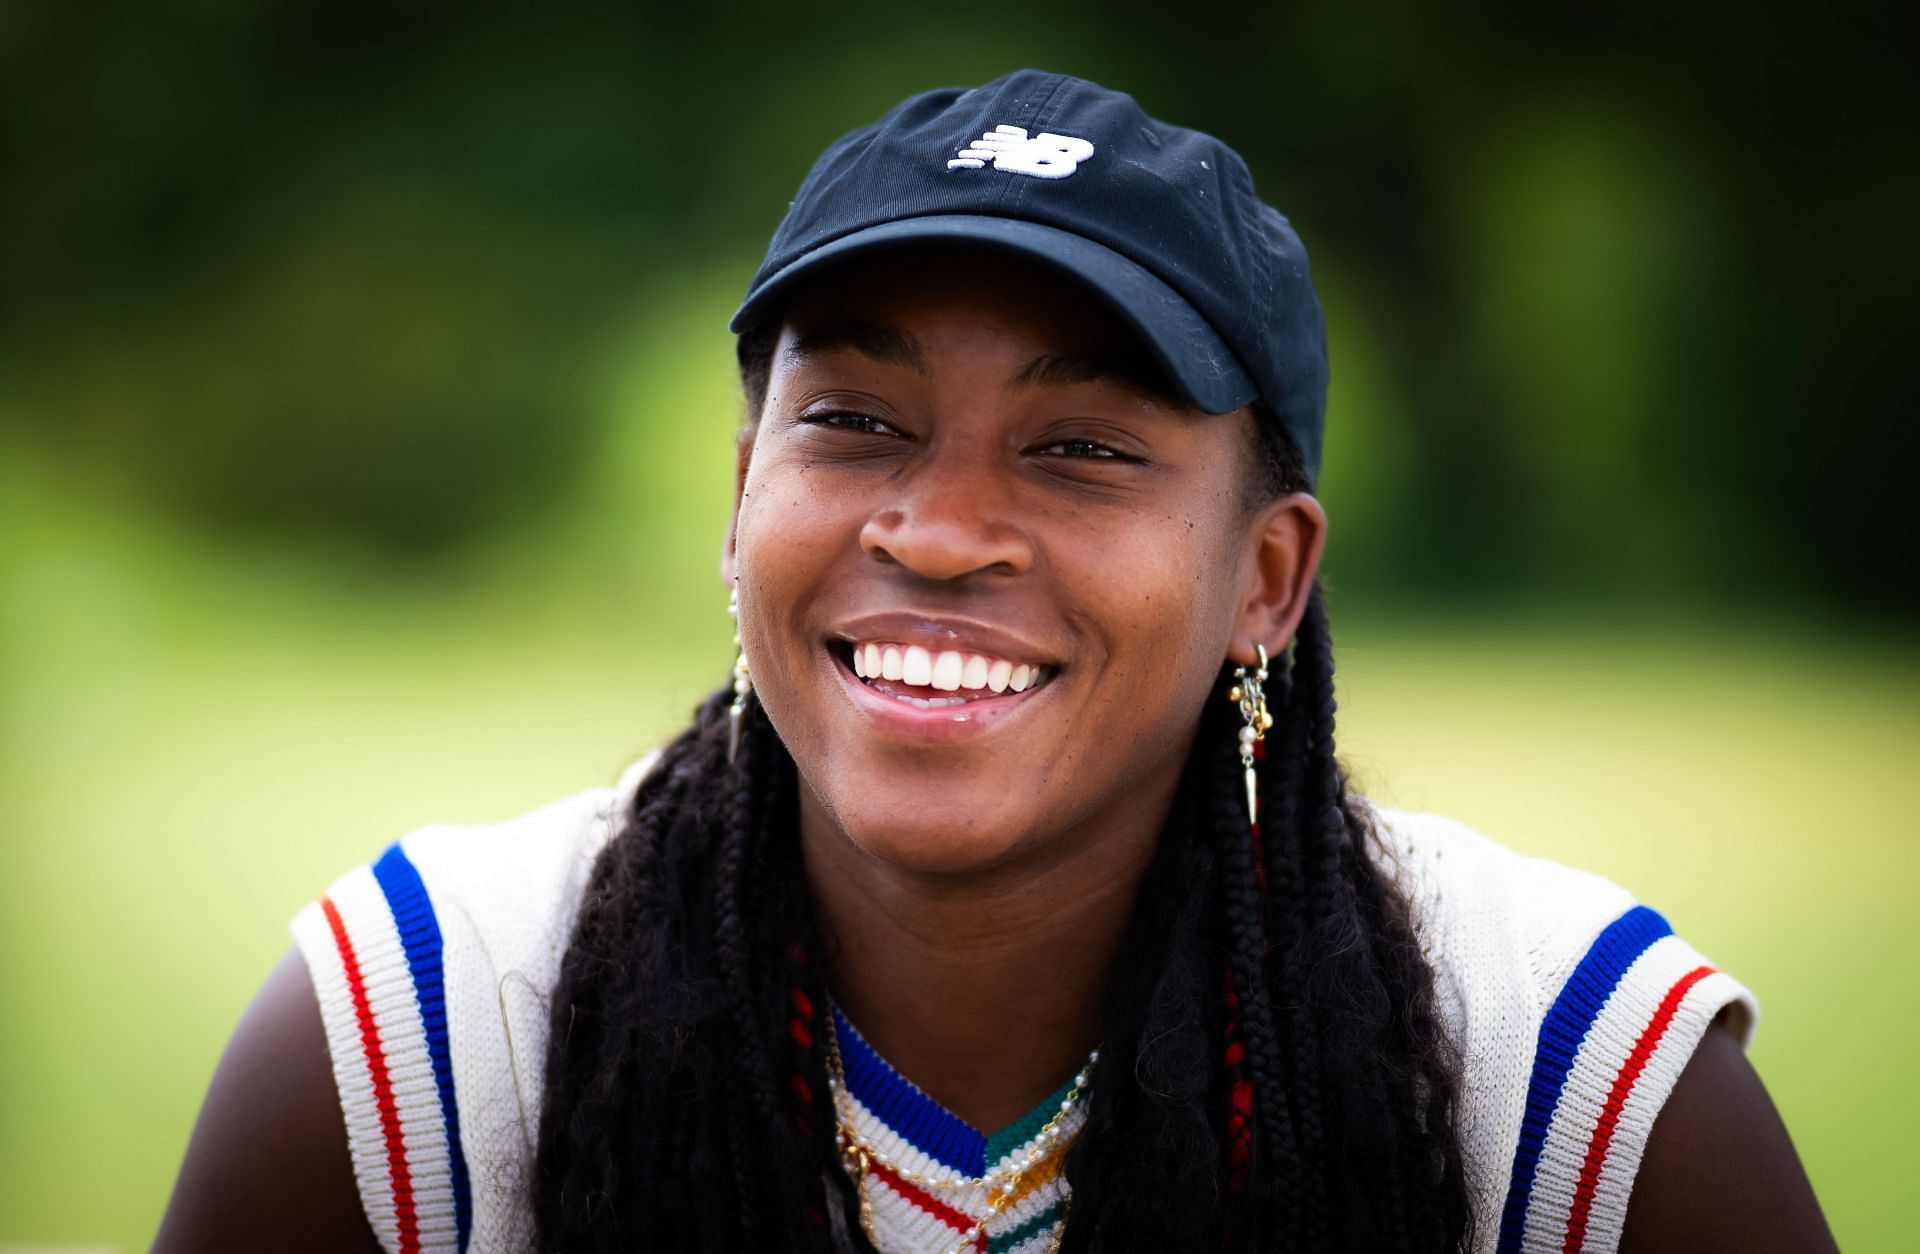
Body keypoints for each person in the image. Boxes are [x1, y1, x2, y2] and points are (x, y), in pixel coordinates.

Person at [156, 70, 1834, 1254]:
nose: (943, 529)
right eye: (860, 422)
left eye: (1085, 448)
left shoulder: (1562, 1084)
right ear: (745, 501)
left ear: (1270, 576)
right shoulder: (426, 1041)